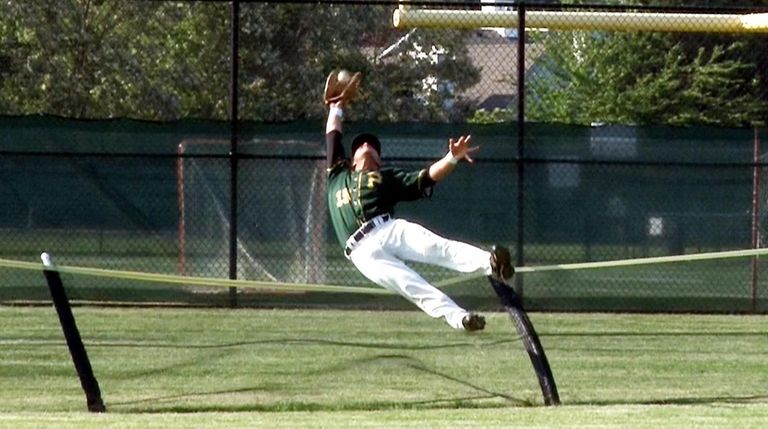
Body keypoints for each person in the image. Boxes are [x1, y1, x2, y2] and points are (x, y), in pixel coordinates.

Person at [323, 81, 513, 332]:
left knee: (436, 246)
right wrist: (336, 107)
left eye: (373, 146)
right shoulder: (337, 175)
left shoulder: (387, 177)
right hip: (361, 251)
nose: (367, 145)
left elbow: (426, 177)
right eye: (360, 145)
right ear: (351, 159)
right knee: (410, 284)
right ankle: (460, 319)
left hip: (388, 229)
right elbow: (333, 135)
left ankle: (491, 263)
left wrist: (452, 157)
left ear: (379, 160)